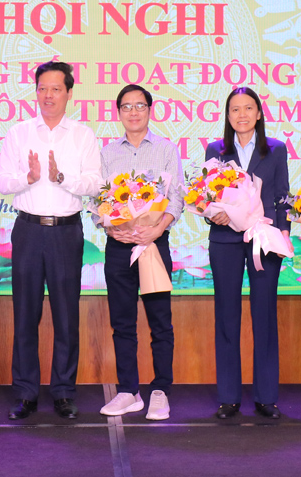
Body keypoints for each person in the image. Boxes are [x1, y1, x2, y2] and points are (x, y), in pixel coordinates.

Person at [0, 61, 100, 420]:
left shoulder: (83, 135)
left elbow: (94, 184)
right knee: (26, 314)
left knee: (66, 316)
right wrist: (28, 177)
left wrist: (61, 177)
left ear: (69, 93)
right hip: (28, 230)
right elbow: (2, 182)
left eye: (56, 89)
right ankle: (25, 392)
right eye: (42, 88)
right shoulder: (18, 133)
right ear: (36, 92)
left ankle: (63, 392)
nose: (48, 95)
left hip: (66, 232)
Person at [96, 84, 183, 421]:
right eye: (127, 106)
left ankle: (160, 391)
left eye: (140, 106)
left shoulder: (166, 148)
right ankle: (128, 391)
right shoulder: (107, 153)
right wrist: (111, 227)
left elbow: (176, 197)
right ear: (118, 112)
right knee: (122, 323)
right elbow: (98, 199)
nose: (133, 112)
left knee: (160, 322)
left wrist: (157, 229)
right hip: (118, 247)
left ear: (150, 109)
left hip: (154, 245)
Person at [205, 86, 291, 420]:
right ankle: (229, 397)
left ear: (258, 113)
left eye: (248, 108)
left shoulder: (276, 149)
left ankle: (266, 397)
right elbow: (207, 195)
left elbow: (282, 195)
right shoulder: (215, 150)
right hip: (224, 240)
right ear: (227, 116)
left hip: (264, 239)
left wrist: (284, 234)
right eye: (235, 109)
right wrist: (214, 214)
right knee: (226, 314)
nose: (242, 115)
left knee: (264, 314)